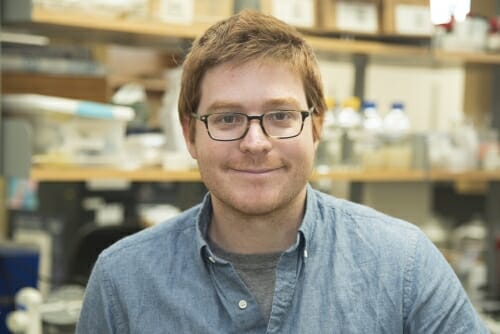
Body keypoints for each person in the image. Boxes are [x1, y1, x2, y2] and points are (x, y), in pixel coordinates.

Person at [76, 10, 487, 333]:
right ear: (189, 135)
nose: (255, 143)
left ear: (317, 126)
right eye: (226, 119)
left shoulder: (404, 265)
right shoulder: (122, 281)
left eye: (280, 115)